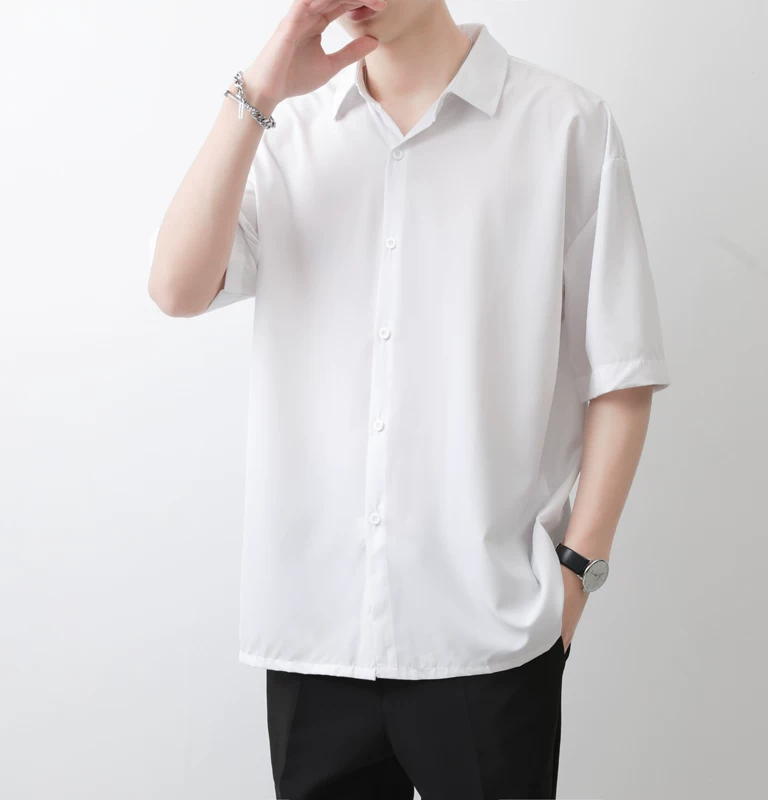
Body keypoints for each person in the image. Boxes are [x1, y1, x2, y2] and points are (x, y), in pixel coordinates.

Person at [148, 0, 672, 797]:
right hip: (316, 634)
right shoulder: (285, 131)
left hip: (490, 633)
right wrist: (260, 87)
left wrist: (577, 574)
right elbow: (176, 289)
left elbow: (622, 373)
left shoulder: (564, 125)